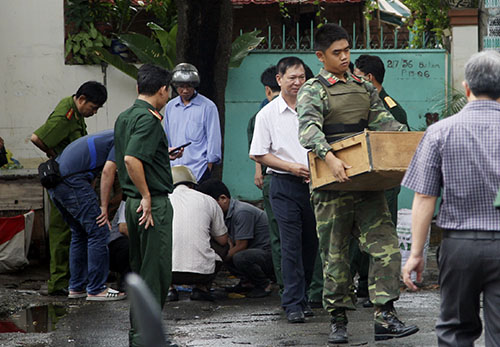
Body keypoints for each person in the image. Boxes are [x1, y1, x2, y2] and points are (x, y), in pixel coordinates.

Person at [296, 23, 418, 344]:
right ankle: (337, 320)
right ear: (321, 56)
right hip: (331, 184)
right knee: (335, 255)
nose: (345, 57)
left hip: (367, 183)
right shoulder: (313, 89)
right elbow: (308, 131)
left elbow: (385, 123)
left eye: (347, 50)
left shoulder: (363, 87)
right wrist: (330, 158)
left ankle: (384, 315)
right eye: (337, 53)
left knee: (386, 247)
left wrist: (416, 142)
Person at [402, 50, 500, 347]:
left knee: (455, 330)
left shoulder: (438, 132)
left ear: (466, 88)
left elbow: (424, 196)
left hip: (458, 246)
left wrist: (416, 253)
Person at [114, 64, 181, 347]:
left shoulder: (125, 117)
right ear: (163, 89)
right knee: (156, 273)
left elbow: (132, 155)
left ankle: (138, 336)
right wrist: (147, 196)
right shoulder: (149, 120)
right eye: (169, 92)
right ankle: (146, 339)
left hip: (132, 202)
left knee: (143, 271)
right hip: (150, 203)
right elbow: (131, 159)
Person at [249, 56, 318, 323]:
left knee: (311, 244)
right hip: (283, 184)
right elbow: (259, 154)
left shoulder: (314, 108)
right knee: (290, 245)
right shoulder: (267, 114)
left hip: (315, 185)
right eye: (292, 78)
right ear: (279, 80)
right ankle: (291, 303)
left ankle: (303, 297)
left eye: (302, 77)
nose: (298, 83)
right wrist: (291, 167)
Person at [31, 81, 107, 296]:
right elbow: (38, 138)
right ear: (81, 99)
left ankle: (73, 282)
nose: (94, 112)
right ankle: (60, 282)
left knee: (73, 231)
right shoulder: (66, 114)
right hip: (64, 180)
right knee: (64, 231)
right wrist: (56, 157)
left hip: (72, 179)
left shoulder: (76, 114)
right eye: (93, 107)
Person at [350, 54, 410, 307]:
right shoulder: (358, 102)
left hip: (383, 182)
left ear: (368, 77)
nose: (353, 80)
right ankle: (363, 287)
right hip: (361, 178)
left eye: (357, 75)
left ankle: (376, 291)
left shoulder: (390, 108)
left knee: (381, 237)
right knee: (358, 235)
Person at [47, 129, 125, 301]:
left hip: (56, 182)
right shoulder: (121, 138)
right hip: (72, 181)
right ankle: (97, 289)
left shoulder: (106, 137)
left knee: (80, 233)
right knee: (99, 230)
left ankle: (76, 287)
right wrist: (103, 206)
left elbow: (93, 172)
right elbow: (107, 171)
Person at [198, 179, 275, 299]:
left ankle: (264, 284)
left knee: (238, 257)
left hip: (268, 255)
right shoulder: (224, 214)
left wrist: (218, 261)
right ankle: (247, 282)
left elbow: (241, 245)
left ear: (223, 198)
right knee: (223, 252)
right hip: (252, 252)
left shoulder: (242, 212)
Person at [246, 65, 283, 294]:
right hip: (282, 177)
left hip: (278, 179)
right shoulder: (263, 114)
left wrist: (258, 170)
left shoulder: (262, 113)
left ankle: (287, 284)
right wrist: (259, 170)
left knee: (280, 234)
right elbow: (257, 149)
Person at [167, 165, 228, 302]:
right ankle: (202, 288)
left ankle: (168, 289)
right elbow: (223, 240)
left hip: (167, 272)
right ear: (192, 185)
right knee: (224, 244)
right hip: (202, 273)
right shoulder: (208, 200)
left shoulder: (163, 200)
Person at [164, 63, 222, 184]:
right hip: (174, 170)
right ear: (175, 86)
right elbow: (167, 137)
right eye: (181, 86)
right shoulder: (170, 106)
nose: (185, 90)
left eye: (189, 86)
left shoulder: (208, 107)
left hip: (199, 170)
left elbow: (213, 139)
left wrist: (208, 168)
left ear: (195, 85)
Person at [108, 200, 131, 293]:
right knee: (127, 246)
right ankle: (124, 280)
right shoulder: (127, 202)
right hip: (116, 247)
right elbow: (123, 228)